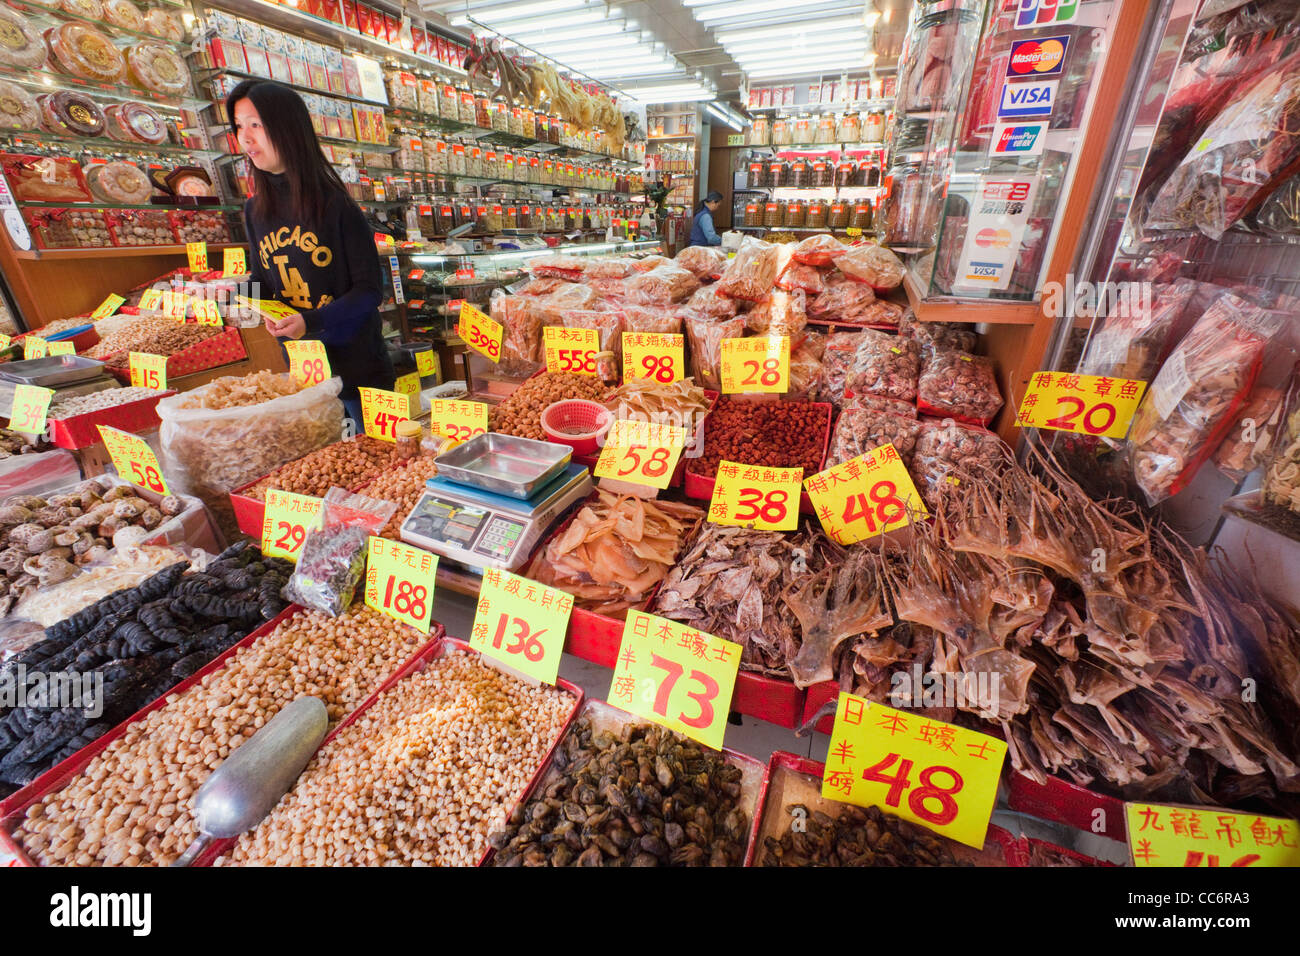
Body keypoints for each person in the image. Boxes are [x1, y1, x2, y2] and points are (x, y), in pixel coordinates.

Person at [227, 79, 393, 427]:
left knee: (384, 467)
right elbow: (262, 278)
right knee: (323, 469)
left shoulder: (336, 205)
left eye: (255, 124)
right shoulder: (255, 210)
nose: (245, 137)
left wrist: (310, 321)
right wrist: (236, 296)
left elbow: (369, 291)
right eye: (239, 126)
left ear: (287, 128)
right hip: (304, 370)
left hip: (360, 369)